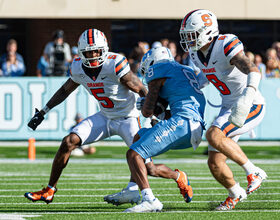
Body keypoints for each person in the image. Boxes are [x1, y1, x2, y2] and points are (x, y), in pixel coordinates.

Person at [24, 28, 148, 204]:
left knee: (146, 162)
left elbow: (141, 88)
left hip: (127, 117)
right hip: (105, 117)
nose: (93, 55)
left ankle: (168, 181)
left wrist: (152, 112)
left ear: (104, 49)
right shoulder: (77, 66)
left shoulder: (114, 63)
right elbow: (65, 90)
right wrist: (44, 111)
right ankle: (49, 190)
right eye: (88, 51)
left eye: (96, 50)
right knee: (68, 141)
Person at [179, 9, 267, 210]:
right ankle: (235, 193)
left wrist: (248, 95)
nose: (189, 40)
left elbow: (252, 68)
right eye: (186, 36)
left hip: (251, 103)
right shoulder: (196, 54)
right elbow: (206, 76)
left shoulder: (225, 44)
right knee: (215, 163)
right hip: (228, 106)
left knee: (214, 135)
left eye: (192, 35)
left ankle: (253, 171)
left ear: (207, 31)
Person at [122, 46, 206, 212]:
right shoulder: (183, 69)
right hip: (194, 125)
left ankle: (149, 200)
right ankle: (176, 177)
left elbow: (147, 112)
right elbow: (165, 112)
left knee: (134, 154)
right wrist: (156, 109)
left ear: (152, 63)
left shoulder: (159, 68)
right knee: (140, 139)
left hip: (184, 123)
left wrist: (145, 103)